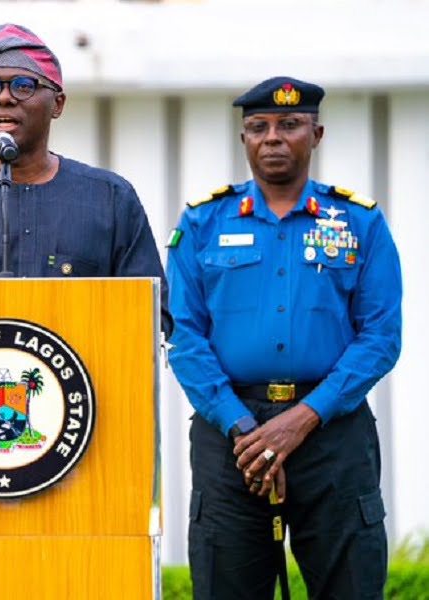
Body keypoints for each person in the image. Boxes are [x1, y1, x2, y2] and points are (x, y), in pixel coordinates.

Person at [166, 76, 402, 599]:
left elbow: (381, 336)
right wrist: (244, 429)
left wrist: (300, 421)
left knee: (351, 587)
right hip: (231, 438)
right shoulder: (203, 221)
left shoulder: (359, 222)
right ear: (244, 139)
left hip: (330, 433)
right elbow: (184, 337)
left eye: (289, 125)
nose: (272, 137)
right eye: (258, 127)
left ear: (316, 135)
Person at [0, 23, 172, 336]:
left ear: (58, 104)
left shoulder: (110, 198)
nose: (3, 98)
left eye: (23, 85)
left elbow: (151, 317)